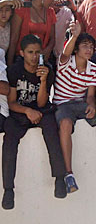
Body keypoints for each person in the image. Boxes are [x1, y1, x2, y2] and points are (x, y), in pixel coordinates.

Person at [2, 34, 66, 209]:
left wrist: (44, 80)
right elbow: (12, 102)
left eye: (37, 52)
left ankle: (60, 178)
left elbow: (41, 103)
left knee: (52, 129)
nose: (34, 56)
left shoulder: (47, 69)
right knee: (9, 138)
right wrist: (27, 111)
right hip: (21, 112)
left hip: (41, 110)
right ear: (22, 53)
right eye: (30, 52)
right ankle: (8, 189)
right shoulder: (14, 71)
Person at [54, 21, 96, 194]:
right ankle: (68, 174)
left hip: (80, 104)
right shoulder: (66, 62)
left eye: (91, 47)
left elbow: (90, 95)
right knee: (65, 124)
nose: (89, 49)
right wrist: (75, 35)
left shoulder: (94, 68)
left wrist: (90, 106)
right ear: (76, 48)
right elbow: (65, 53)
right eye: (85, 46)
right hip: (63, 105)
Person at [8, 0, 61, 65]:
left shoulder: (50, 12)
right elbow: (14, 39)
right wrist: (9, 65)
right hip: (21, 60)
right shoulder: (22, 8)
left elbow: (52, 39)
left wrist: (46, 52)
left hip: (41, 60)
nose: (54, 2)